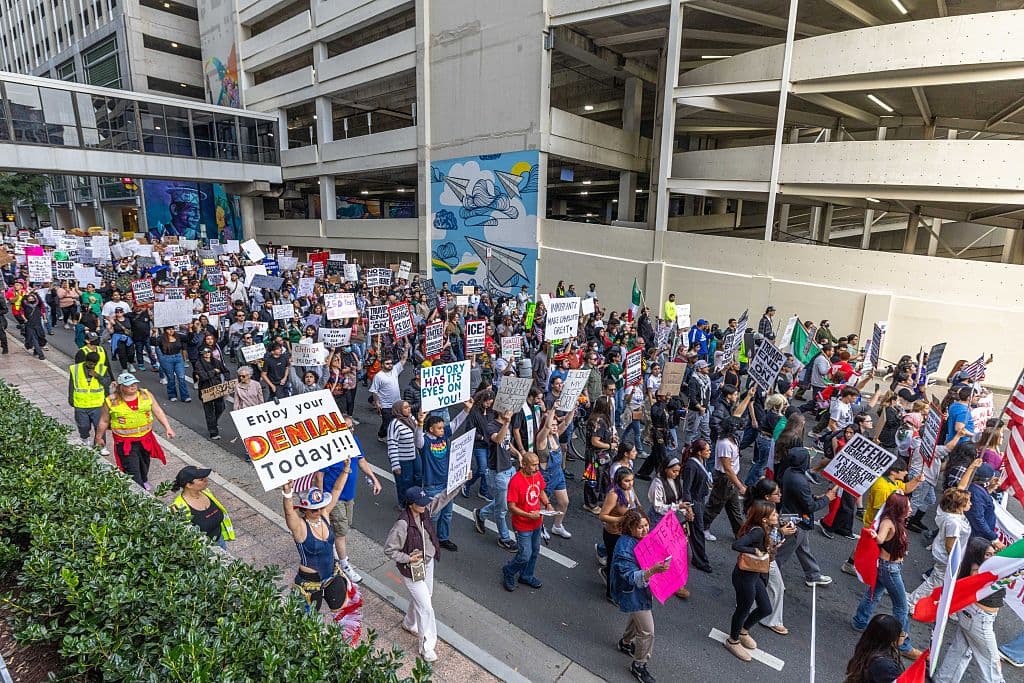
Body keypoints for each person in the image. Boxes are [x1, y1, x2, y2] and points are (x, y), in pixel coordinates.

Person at [383, 485, 462, 663]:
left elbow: (442, 498)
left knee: (424, 598)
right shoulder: (402, 524)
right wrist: (407, 558)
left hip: (427, 562)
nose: (425, 505)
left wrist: (460, 483)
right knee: (425, 606)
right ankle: (427, 647)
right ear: (411, 504)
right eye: (421, 503)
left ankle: (409, 623)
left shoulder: (424, 510)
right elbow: (389, 549)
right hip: (411, 569)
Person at [281, 473, 362, 644]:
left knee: (346, 617)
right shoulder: (300, 527)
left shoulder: (324, 515)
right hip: (308, 584)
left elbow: (337, 490)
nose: (318, 511)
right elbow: (288, 513)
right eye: (313, 509)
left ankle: (346, 650)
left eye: (320, 507)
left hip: (332, 575)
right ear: (304, 509)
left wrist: (346, 470)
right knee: (303, 626)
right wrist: (287, 493)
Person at [851, 492, 922, 660]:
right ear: (899, 508)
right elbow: (880, 539)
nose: (911, 509)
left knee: (874, 594)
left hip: (888, 567)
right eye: (907, 506)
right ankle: (903, 645)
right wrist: (875, 536)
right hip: (889, 569)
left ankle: (860, 621)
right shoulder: (888, 522)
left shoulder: (896, 521)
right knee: (901, 606)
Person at [934, 538, 1006, 683]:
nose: (992, 557)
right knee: (992, 665)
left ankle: (943, 680)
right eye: (988, 555)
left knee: (960, 651)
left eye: (993, 554)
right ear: (977, 556)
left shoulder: (978, 567)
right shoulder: (978, 571)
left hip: (974, 615)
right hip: (978, 618)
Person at [609, 509, 669, 683]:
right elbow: (630, 576)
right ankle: (639, 665)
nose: (645, 530)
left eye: (646, 525)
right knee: (648, 631)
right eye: (640, 527)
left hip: (641, 591)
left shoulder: (639, 538)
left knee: (637, 620)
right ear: (630, 528)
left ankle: (626, 643)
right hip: (632, 592)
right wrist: (653, 571)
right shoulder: (624, 548)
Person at [94, 372, 176, 490]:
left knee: (144, 463)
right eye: (128, 384)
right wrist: (98, 437)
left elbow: (158, 411)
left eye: (134, 383)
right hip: (125, 442)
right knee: (132, 469)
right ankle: (139, 490)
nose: (133, 386)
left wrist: (168, 427)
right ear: (121, 387)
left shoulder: (146, 395)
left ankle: (144, 479)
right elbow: (104, 421)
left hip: (145, 439)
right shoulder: (111, 401)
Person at [724, 500, 778, 662]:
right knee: (743, 609)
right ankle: (733, 641)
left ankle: (743, 631)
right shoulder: (758, 532)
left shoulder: (765, 528)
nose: (777, 516)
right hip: (744, 577)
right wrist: (754, 550)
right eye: (774, 514)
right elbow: (736, 545)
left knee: (766, 608)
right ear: (764, 519)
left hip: (754, 575)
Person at [415, 399, 472, 551]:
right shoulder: (424, 442)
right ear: (431, 429)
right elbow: (417, 439)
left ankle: (443, 538)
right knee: (433, 515)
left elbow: (455, 423)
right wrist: (420, 423)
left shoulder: (444, 435)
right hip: (432, 485)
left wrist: (466, 410)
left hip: (448, 482)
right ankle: (428, 539)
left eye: (442, 428)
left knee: (447, 514)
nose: (442, 430)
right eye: (439, 428)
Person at [908, 487, 972, 606]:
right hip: (946, 558)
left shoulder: (949, 513)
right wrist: (955, 563)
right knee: (935, 583)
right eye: (968, 501)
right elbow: (950, 545)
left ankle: (915, 600)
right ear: (959, 504)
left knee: (935, 580)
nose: (970, 504)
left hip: (942, 553)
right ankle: (913, 602)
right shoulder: (953, 522)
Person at [503, 452, 554, 591]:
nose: (537, 468)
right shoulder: (516, 481)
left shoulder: (536, 474)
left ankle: (526, 575)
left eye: (537, 464)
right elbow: (511, 507)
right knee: (525, 555)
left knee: (535, 551)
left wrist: (547, 503)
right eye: (533, 465)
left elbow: (541, 491)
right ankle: (509, 570)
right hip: (522, 525)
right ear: (523, 464)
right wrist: (528, 515)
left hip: (536, 522)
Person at [647, 457, 692, 599]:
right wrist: (678, 507)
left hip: (671, 520)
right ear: (666, 469)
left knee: (675, 551)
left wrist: (686, 511)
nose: (676, 474)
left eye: (678, 472)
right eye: (674, 471)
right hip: (658, 520)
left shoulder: (677, 481)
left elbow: (679, 501)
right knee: (663, 551)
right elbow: (658, 507)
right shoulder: (657, 483)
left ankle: (674, 582)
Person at [599, 467, 645, 600]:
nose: (630, 484)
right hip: (613, 534)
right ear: (619, 481)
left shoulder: (629, 490)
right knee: (614, 564)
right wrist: (620, 519)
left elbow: (635, 502)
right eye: (627, 481)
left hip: (626, 533)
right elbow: (602, 516)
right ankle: (611, 594)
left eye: (632, 480)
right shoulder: (613, 494)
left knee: (622, 562)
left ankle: (608, 573)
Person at [169, 466, 235, 549]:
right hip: (204, 549)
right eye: (201, 479)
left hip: (220, 540)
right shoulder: (178, 507)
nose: (206, 480)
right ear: (189, 485)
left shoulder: (206, 492)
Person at [704, 416, 745, 539]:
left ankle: (740, 535)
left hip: (731, 479)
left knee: (735, 509)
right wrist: (740, 486)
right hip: (724, 479)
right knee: (714, 506)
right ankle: (702, 528)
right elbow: (727, 468)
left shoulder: (733, 439)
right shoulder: (724, 444)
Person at [536, 405, 572, 539]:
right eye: (553, 425)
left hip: (558, 474)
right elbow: (546, 427)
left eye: (556, 425)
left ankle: (557, 526)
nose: (555, 427)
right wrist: (553, 409)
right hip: (546, 476)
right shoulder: (541, 439)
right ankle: (539, 527)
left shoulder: (556, 435)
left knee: (564, 502)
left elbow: (566, 422)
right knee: (543, 505)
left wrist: (573, 408)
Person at [680, 439, 713, 572]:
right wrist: (689, 508)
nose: (710, 452)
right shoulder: (691, 466)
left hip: (700, 499)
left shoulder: (701, 461)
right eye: (707, 450)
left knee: (693, 527)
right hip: (694, 501)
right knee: (697, 530)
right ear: (699, 452)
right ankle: (700, 561)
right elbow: (686, 489)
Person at [843, 614, 906, 683]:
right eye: (902, 634)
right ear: (892, 639)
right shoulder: (886, 667)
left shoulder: (867, 648)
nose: (905, 636)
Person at [67, 351, 110, 453]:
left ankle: (101, 446)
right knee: (83, 426)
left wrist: (98, 376)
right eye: (90, 364)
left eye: (94, 364)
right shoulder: (75, 369)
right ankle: (85, 438)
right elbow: (72, 384)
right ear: (86, 361)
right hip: (81, 404)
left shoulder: (102, 369)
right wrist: (71, 398)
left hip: (97, 404)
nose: (92, 366)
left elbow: (106, 383)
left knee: (99, 427)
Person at [387, 400, 422, 507]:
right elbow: (392, 445)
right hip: (403, 460)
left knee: (418, 477)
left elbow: (418, 432)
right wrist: (395, 465)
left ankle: (415, 500)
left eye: (409, 406)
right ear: (399, 410)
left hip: (414, 455)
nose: (409, 409)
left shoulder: (411, 418)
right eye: (405, 408)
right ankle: (403, 503)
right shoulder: (395, 424)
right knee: (405, 482)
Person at [370, 347, 408, 442]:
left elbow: (404, 359)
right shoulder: (378, 376)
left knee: (398, 421)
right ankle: (381, 435)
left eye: (391, 363)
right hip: (386, 405)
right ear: (382, 365)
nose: (390, 365)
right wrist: (377, 403)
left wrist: (406, 349)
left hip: (397, 403)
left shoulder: (395, 370)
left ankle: (394, 435)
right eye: (387, 364)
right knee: (387, 423)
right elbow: (374, 391)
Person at [192, 346, 229, 439]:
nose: (207, 353)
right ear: (201, 354)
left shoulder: (216, 361)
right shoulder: (198, 364)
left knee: (221, 407)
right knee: (209, 411)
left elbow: (226, 371)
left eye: (209, 351)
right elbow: (203, 376)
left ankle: (213, 422)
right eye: (205, 352)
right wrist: (214, 371)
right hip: (206, 390)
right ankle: (213, 432)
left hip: (217, 388)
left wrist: (226, 380)